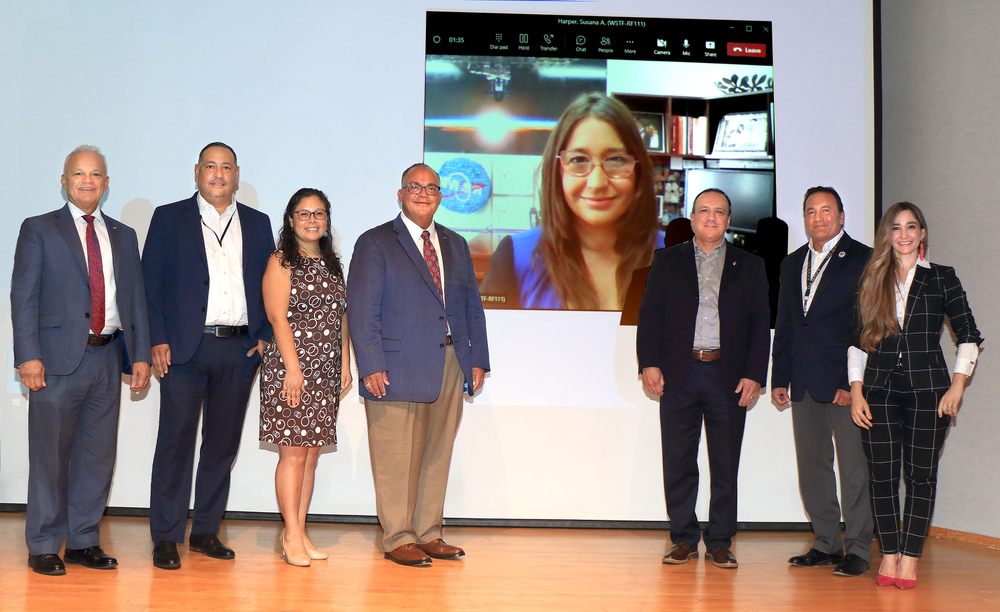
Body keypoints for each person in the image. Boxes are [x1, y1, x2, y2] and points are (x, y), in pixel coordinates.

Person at [12, 146, 151, 575]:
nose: (87, 181)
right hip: (54, 361)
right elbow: (24, 298)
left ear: (106, 184)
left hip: (108, 358)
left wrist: (141, 355)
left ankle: (84, 540)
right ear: (64, 181)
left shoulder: (124, 235)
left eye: (95, 174)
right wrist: (28, 357)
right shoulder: (38, 229)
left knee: (97, 456)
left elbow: (134, 300)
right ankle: (44, 543)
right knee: (51, 457)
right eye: (78, 174)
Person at [347, 163, 490, 566]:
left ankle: (428, 533)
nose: (423, 193)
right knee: (396, 455)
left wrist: (476, 358)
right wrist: (370, 364)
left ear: (441, 196)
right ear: (400, 193)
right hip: (394, 366)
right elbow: (361, 311)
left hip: (450, 362)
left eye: (431, 188)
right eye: (414, 186)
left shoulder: (456, 243)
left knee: (436, 453)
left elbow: (470, 307)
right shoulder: (375, 242)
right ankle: (397, 537)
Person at [143, 142, 273, 570]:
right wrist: (156, 338)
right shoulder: (168, 217)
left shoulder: (258, 223)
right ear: (196, 172)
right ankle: (165, 535)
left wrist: (264, 337)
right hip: (183, 349)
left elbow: (272, 287)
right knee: (175, 444)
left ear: (237, 175)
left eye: (227, 167)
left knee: (221, 445)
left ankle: (205, 531)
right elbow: (151, 283)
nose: (218, 174)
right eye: (210, 166)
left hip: (239, 349)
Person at [849, 201, 981, 589]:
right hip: (878, 391)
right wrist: (856, 392)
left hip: (930, 393)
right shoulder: (871, 278)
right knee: (883, 477)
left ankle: (910, 558)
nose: (904, 234)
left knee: (921, 477)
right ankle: (888, 554)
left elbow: (968, 334)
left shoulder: (942, 277)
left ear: (922, 234)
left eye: (912, 227)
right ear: (886, 236)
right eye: (896, 227)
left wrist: (957, 385)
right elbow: (856, 343)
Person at [636, 188, 770, 569]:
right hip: (679, 372)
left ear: (729, 221)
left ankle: (720, 541)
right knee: (678, 460)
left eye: (720, 212)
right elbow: (650, 316)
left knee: (725, 463)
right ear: (693, 218)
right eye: (704, 211)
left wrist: (754, 375)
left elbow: (761, 326)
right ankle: (683, 539)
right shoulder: (667, 261)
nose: (711, 218)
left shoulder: (750, 265)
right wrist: (649, 363)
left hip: (728, 376)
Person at [771, 187, 873, 577]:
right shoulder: (792, 262)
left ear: (842, 217)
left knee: (854, 470)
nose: (819, 217)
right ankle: (827, 542)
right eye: (811, 211)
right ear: (804, 218)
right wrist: (780, 376)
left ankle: (859, 547)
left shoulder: (864, 259)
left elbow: (866, 327)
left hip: (845, 384)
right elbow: (786, 323)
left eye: (827, 210)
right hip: (801, 381)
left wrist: (855, 381)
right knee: (812, 466)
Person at [480, 93, 663, 310]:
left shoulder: (680, 258)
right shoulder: (514, 258)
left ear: (638, 170)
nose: (597, 183)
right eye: (578, 160)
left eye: (615, 160)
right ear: (557, 171)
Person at [260, 188, 351, 567]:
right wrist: (294, 369)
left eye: (319, 213)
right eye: (303, 214)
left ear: (327, 220)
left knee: (311, 457)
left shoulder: (333, 264)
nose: (312, 220)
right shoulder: (281, 261)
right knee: (293, 455)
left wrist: (345, 363)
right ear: (291, 220)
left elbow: (342, 316)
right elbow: (277, 317)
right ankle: (291, 535)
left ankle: (297, 529)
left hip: (326, 370)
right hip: (290, 370)